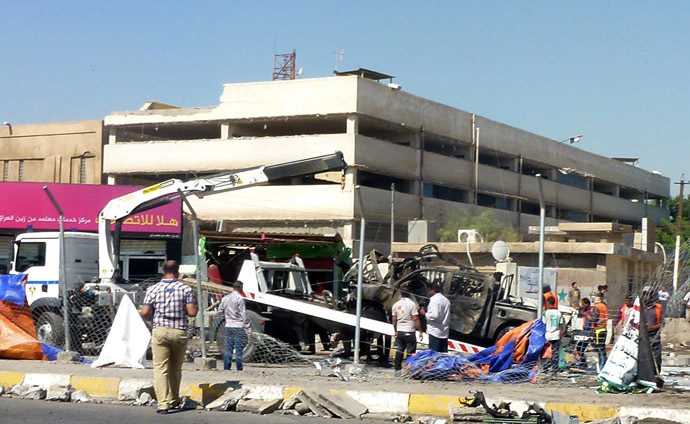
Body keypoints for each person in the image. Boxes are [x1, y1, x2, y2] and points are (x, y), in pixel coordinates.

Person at [140, 260, 198, 414]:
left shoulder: (153, 289)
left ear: (163, 272)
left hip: (160, 330)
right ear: (177, 272)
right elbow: (192, 312)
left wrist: (153, 317)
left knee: (160, 369)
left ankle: (163, 403)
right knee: (175, 368)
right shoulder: (186, 289)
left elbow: (145, 312)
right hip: (179, 331)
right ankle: (173, 399)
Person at [218, 280, 250, 371]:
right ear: (240, 288)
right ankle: (239, 368)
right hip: (238, 326)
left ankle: (226, 368)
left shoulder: (226, 298)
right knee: (239, 349)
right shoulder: (240, 298)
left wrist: (227, 317)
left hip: (228, 326)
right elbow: (243, 314)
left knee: (228, 348)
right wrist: (248, 328)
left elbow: (220, 311)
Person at [391, 290, 423, 371]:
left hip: (400, 331)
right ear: (409, 294)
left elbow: (394, 319)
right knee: (410, 351)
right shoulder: (412, 304)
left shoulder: (396, 305)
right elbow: (415, 318)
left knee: (400, 350)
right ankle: (408, 369)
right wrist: (420, 331)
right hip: (409, 331)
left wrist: (395, 330)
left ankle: (397, 368)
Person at [419, 284, 450, 353]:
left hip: (435, 331)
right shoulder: (446, 300)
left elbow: (435, 315)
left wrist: (424, 314)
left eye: (428, 290)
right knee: (442, 355)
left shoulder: (434, 300)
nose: (428, 292)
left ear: (432, 290)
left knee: (434, 354)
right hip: (444, 331)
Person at [642, 286, 664, 375]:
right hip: (642, 339)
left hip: (654, 339)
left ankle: (656, 376)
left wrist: (653, 327)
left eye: (648, 294)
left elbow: (662, 323)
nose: (646, 296)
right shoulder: (640, 308)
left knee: (656, 360)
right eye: (645, 294)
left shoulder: (658, 308)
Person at [542, 296, 565, 374]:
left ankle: (545, 369)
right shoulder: (559, 313)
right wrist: (561, 337)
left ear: (548, 303)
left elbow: (543, 324)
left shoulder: (545, 313)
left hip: (548, 335)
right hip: (556, 335)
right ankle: (554, 370)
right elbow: (561, 326)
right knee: (555, 353)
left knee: (546, 352)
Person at [588, 293, 609, 368]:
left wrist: (588, 316)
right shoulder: (604, 306)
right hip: (604, 328)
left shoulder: (597, 306)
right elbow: (605, 316)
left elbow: (594, 318)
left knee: (599, 349)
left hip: (598, 330)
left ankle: (602, 366)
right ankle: (604, 364)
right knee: (602, 348)